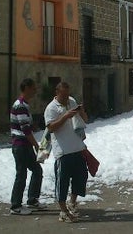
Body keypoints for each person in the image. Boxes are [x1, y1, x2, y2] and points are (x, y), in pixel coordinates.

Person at [44, 82, 89, 223]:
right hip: (63, 151)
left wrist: (80, 111)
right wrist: (65, 116)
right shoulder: (51, 108)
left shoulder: (72, 101)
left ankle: (72, 202)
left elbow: (85, 120)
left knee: (81, 178)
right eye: (63, 95)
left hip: (77, 148)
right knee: (62, 183)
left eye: (67, 95)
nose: (66, 98)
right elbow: (50, 127)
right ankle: (63, 211)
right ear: (57, 93)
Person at [9, 78, 44, 216]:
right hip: (21, 145)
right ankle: (16, 205)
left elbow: (26, 125)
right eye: (33, 87)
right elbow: (25, 129)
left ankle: (32, 200)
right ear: (27, 88)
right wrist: (36, 145)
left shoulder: (24, 105)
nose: (35, 90)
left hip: (24, 145)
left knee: (36, 170)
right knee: (21, 175)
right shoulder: (20, 106)